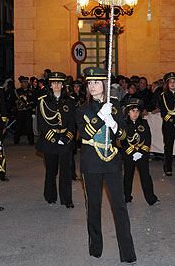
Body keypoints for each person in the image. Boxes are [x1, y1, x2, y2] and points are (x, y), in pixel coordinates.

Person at [75, 67, 135, 263]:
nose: (92, 86)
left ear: (104, 85)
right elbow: (84, 134)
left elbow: (124, 135)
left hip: (112, 161)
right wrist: (101, 117)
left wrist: (114, 122)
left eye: (96, 82)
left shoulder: (115, 106)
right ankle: (95, 248)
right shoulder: (82, 109)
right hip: (91, 162)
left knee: (119, 206)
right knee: (93, 206)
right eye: (89, 83)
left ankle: (127, 253)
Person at [35, 71, 76, 207]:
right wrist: (53, 138)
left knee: (66, 171)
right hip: (50, 140)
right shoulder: (43, 101)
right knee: (51, 170)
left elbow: (72, 122)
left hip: (65, 139)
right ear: (50, 85)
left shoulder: (70, 102)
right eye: (54, 83)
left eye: (59, 83)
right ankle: (50, 195)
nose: (57, 85)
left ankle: (67, 199)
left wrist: (68, 137)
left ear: (63, 85)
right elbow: (41, 123)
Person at [121, 98, 158, 206]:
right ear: (128, 112)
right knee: (128, 175)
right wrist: (132, 152)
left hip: (142, 154)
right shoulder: (124, 124)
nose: (135, 114)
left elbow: (148, 138)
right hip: (129, 154)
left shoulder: (144, 123)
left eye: (137, 111)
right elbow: (122, 140)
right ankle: (126, 197)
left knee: (145, 176)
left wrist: (142, 152)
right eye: (133, 111)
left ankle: (151, 199)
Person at [11, 76, 36, 145]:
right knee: (18, 126)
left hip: (28, 111)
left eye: (26, 82)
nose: (25, 84)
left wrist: (32, 109)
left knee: (29, 127)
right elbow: (12, 101)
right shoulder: (17, 92)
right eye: (23, 82)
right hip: (20, 111)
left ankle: (31, 141)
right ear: (21, 83)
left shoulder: (31, 92)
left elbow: (34, 101)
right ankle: (16, 141)